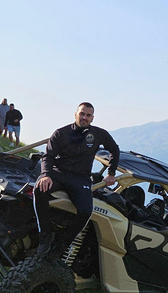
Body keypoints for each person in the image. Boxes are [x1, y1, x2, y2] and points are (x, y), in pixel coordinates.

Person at [33, 102, 119, 258]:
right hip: (58, 173)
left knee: (86, 211)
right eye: (82, 114)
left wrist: (111, 173)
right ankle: (45, 234)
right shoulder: (61, 133)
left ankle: (63, 243)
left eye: (88, 115)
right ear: (75, 114)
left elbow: (114, 149)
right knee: (39, 189)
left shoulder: (99, 134)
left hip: (80, 178)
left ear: (92, 118)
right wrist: (46, 175)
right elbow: (48, 156)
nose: (84, 117)